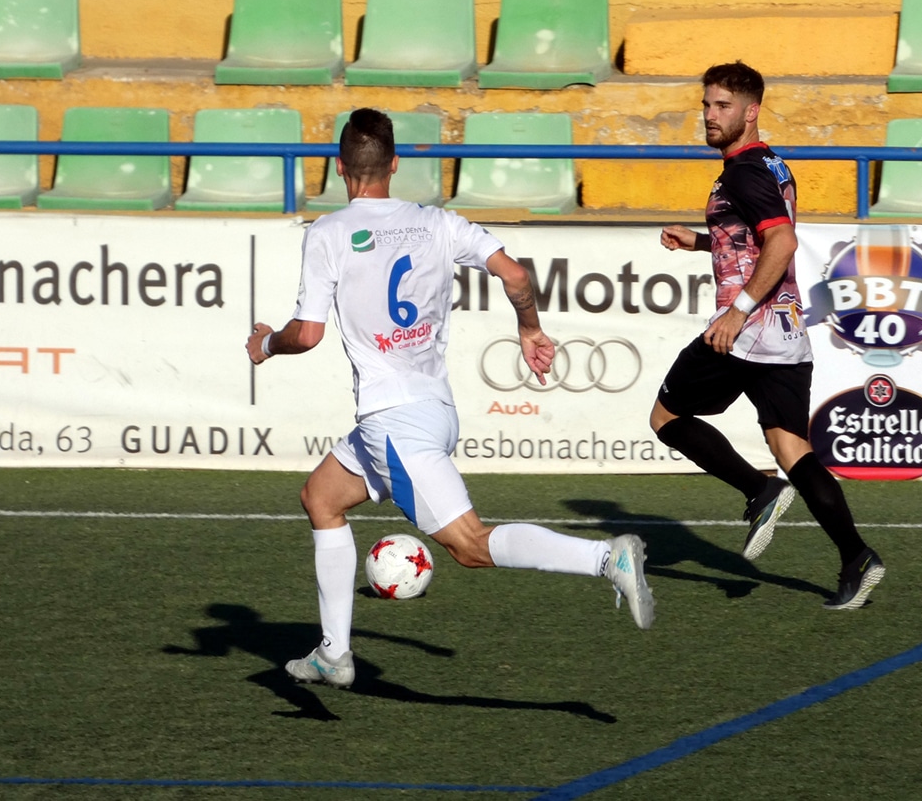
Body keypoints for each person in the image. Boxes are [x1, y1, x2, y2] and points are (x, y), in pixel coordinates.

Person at [246, 108, 655, 689]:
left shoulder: (329, 234)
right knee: (320, 497)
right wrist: (530, 329)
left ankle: (603, 559)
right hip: (429, 411)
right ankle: (333, 651)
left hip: (395, 424)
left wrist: (264, 344)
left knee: (469, 545)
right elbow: (514, 275)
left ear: (339, 168)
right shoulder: (439, 223)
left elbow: (306, 334)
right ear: (394, 164)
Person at [651, 62, 884, 610]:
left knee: (667, 418)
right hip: (785, 329)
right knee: (791, 446)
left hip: (749, 329)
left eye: (722, 106)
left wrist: (735, 312)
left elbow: (782, 244)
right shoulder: (771, 164)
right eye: (706, 105)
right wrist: (700, 242)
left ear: (751, 111)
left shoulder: (743, 171)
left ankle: (758, 490)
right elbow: (754, 240)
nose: (710, 115)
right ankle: (856, 557)